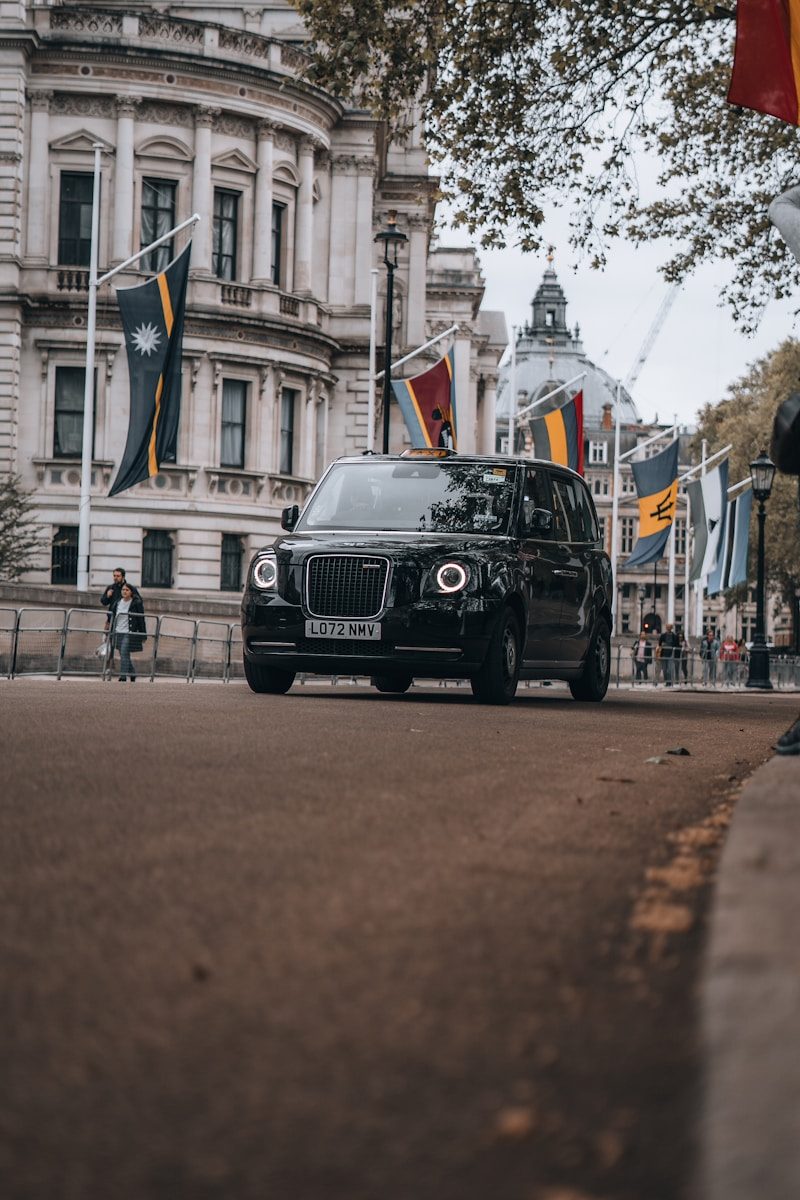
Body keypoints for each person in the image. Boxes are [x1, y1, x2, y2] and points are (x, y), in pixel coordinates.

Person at [110, 582, 146, 682]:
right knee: (123, 654)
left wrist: (143, 634)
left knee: (124, 652)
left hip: (128, 632)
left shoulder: (136, 603)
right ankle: (133, 673)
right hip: (118, 631)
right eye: (123, 590)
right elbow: (112, 616)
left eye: (127, 590)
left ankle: (123, 677)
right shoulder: (117, 602)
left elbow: (141, 619)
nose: (124, 592)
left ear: (131, 592)